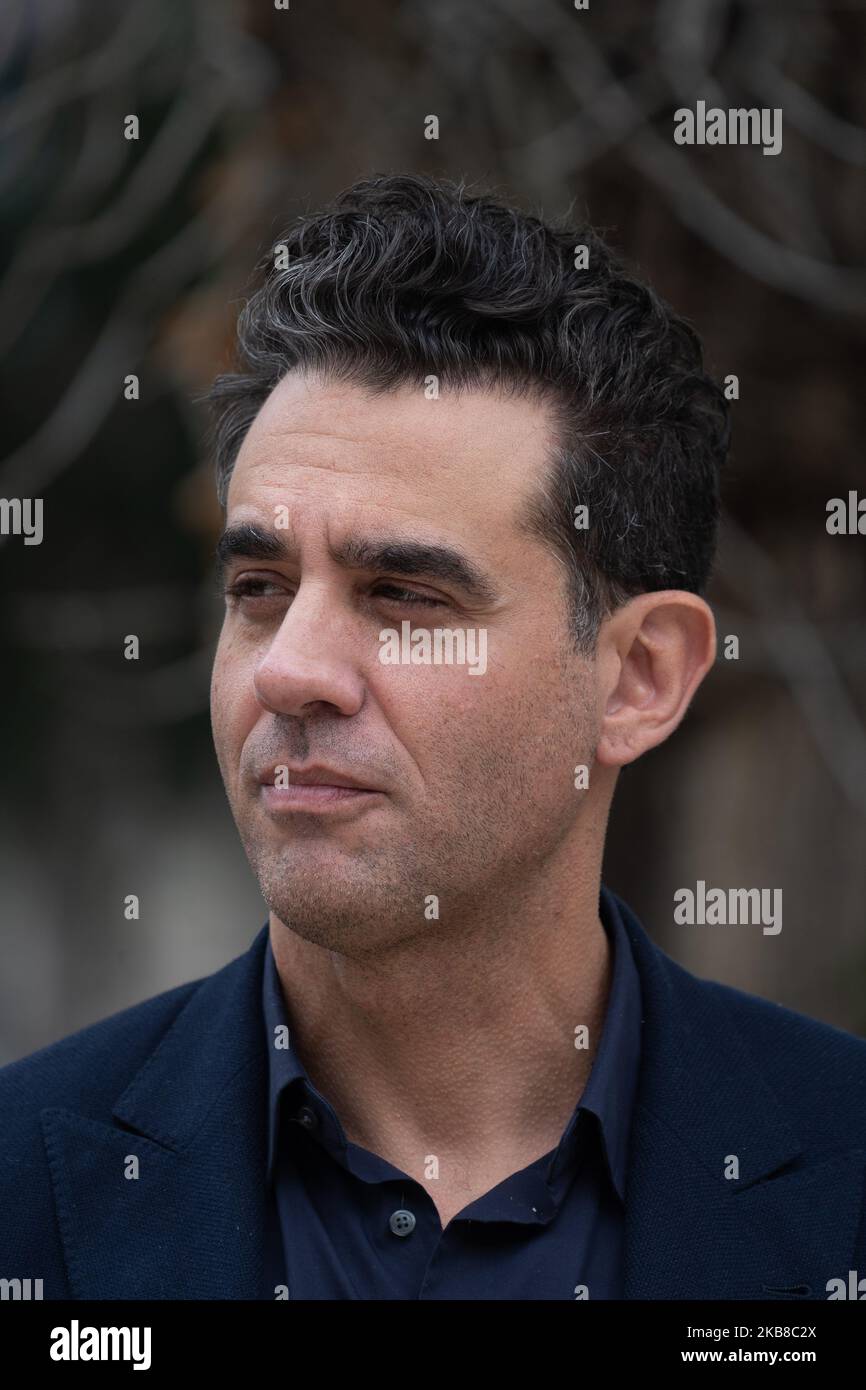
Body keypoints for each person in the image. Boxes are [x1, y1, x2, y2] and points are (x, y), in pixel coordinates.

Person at [2, 173, 864, 1301]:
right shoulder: (23, 1190)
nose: (290, 668)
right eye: (260, 587)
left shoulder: (835, 1179)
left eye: (404, 594)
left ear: (637, 678)